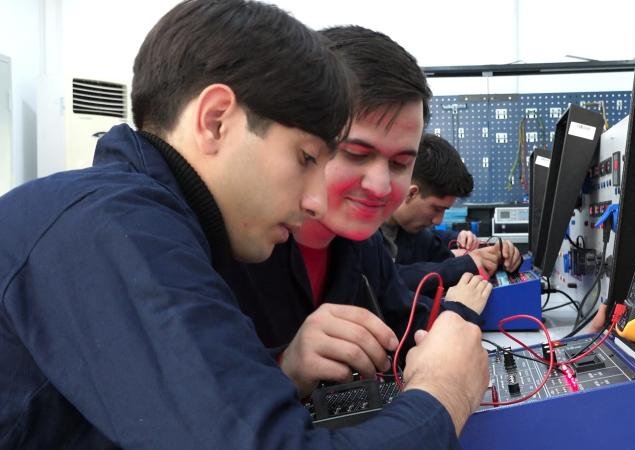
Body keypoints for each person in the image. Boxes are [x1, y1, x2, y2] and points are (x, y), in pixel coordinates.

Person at [0, 2, 487, 448]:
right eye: (306, 158)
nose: (316, 199)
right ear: (215, 121)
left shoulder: (161, 222)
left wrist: (279, 370)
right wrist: (442, 395)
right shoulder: (111, 228)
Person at [227, 26, 492, 401]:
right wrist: (284, 369)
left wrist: (455, 317)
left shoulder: (363, 245)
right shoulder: (228, 249)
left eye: (401, 163)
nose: (381, 186)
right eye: (355, 153)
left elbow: (405, 327)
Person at [381, 133, 522, 296]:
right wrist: (466, 265)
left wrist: (500, 255)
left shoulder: (414, 233)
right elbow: (389, 278)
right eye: (436, 208)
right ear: (411, 193)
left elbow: (440, 250)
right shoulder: (365, 237)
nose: (438, 220)